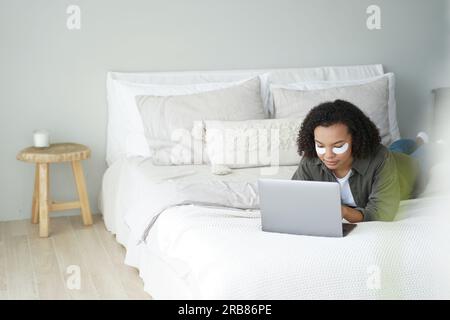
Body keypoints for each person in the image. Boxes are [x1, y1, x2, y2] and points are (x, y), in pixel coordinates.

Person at [291, 99, 432, 223]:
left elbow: (382, 212)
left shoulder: (380, 158)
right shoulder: (310, 161)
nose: (328, 155)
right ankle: (418, 140)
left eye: (338, 146)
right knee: (395, 148)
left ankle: (426, 144)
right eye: (320, 146)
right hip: (391, 156)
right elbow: (293, 197)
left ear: (356, 140)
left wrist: (345, 212)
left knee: (424, 154)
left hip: (408, 170)